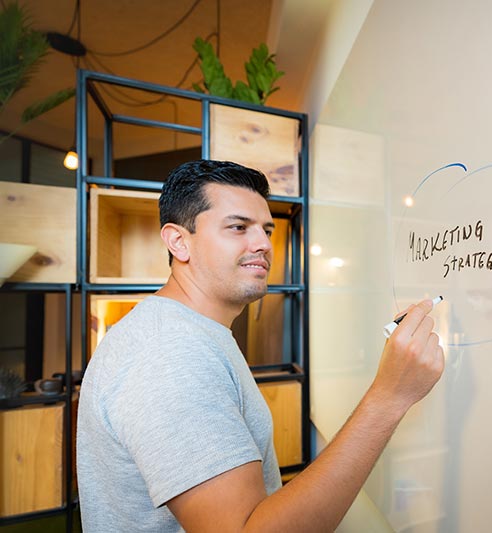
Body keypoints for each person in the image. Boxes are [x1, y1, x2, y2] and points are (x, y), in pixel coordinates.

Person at [77, 160, 444, 532]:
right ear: (178, 241)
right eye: (238, 227)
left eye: (266, 230)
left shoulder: (188, 334)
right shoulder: (169, 354)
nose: (264, 244)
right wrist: (389, 397)